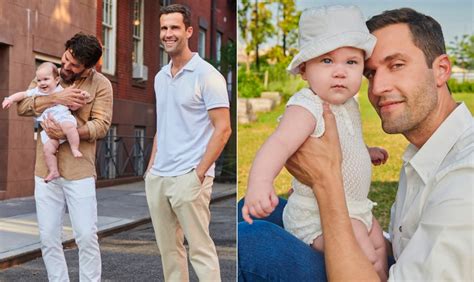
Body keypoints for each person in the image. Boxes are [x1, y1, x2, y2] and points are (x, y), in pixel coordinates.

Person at [238, 7, 473, 282]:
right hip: (372, 247)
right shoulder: (427, 151)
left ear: (441, 70)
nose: (377, 87)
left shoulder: (464, 179)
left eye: (396, 65)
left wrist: (326, 181)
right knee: (259, 209)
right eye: (371, 73)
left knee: (249, 242)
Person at [242, 5, 388, 280]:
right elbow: (279, 145)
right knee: (366, 254)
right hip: (318, 215)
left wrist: (365, 152)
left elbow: (345, 143)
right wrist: (260, 183)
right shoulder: (306, 107)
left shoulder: (347, 105)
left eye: (351, 62)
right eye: (327, 61)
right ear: (304, 71)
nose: (340, 72)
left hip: (356, 208)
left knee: (380, 247)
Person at [144, 4, 231, 282]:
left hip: (190, 176)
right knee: (169, 252)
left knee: (200, 251)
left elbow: (223, 128)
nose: (168, 34)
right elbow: (163, 127)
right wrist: (150, 170)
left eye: (174, 28)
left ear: (189, 31)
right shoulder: (160, 77)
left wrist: (199, 173)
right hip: (159, 176)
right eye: (164, 28)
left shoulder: (207, 75)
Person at [17, 33, 113, 281]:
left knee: (85, 236)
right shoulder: (49, 75)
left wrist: (69, 132)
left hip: (79, 170)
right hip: (45, 171)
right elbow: (23, 106)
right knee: (48, 238)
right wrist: (55, 97)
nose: (67, 67)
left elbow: (101, 125)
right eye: (66, 59)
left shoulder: (101, 85)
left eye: (74, 65)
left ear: (89, 67)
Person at [3, 62, 90, 182]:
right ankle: (53, 171)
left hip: (63, 119)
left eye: (46, 79)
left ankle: (74, 148)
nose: (42, 83)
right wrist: (10, 99)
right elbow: (23, 95)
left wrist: (83, 96)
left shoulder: (61, 90)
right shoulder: (37, 91)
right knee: (48, 150)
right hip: (48, 129)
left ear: (57, 80)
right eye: (39, 80)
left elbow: (74, 104)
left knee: (70, 128)